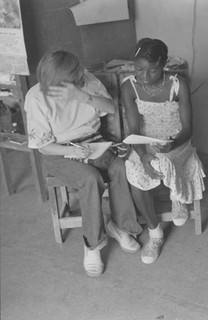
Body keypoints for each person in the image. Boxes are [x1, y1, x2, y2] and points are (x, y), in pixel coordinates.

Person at [25, 50, 143, 277]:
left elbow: (109, 107)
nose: (82, 74)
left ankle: (120, 226)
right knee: (91, 178)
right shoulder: (36, 97)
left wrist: (82, 96)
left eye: (79, 72)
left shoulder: (85, 79)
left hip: (93, 143)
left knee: (120, 166)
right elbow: (43, 146)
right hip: (58, 152)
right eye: (75, 75)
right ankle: (93, 245)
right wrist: (73, 151)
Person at [121, 38, 205, 264]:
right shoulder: (129, 87)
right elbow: (134, 129)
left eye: (153, 70)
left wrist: (172, 144)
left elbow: (188, 129)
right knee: (136, 174)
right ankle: (155, 233)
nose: (144, 76)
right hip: (144, 143)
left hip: (176, 141)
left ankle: (177, 195)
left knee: (164, 159)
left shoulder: (179, 84)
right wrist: (143, 154)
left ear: (165, 64)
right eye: (139, 69)